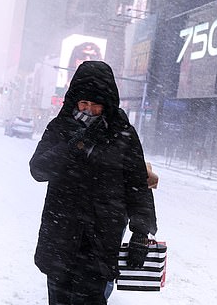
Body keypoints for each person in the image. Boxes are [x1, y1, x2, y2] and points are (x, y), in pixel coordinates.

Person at [30, 60, 157, 305]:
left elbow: (138, 187)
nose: (88, 110)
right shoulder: (60, 128)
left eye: (95, 104)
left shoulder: (123, 135)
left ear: (107, 103)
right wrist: (74, 146)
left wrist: (141, 231)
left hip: (100, 240)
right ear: (73, 100)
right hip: (60, 237)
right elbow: (38, 169)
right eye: (83, 103)